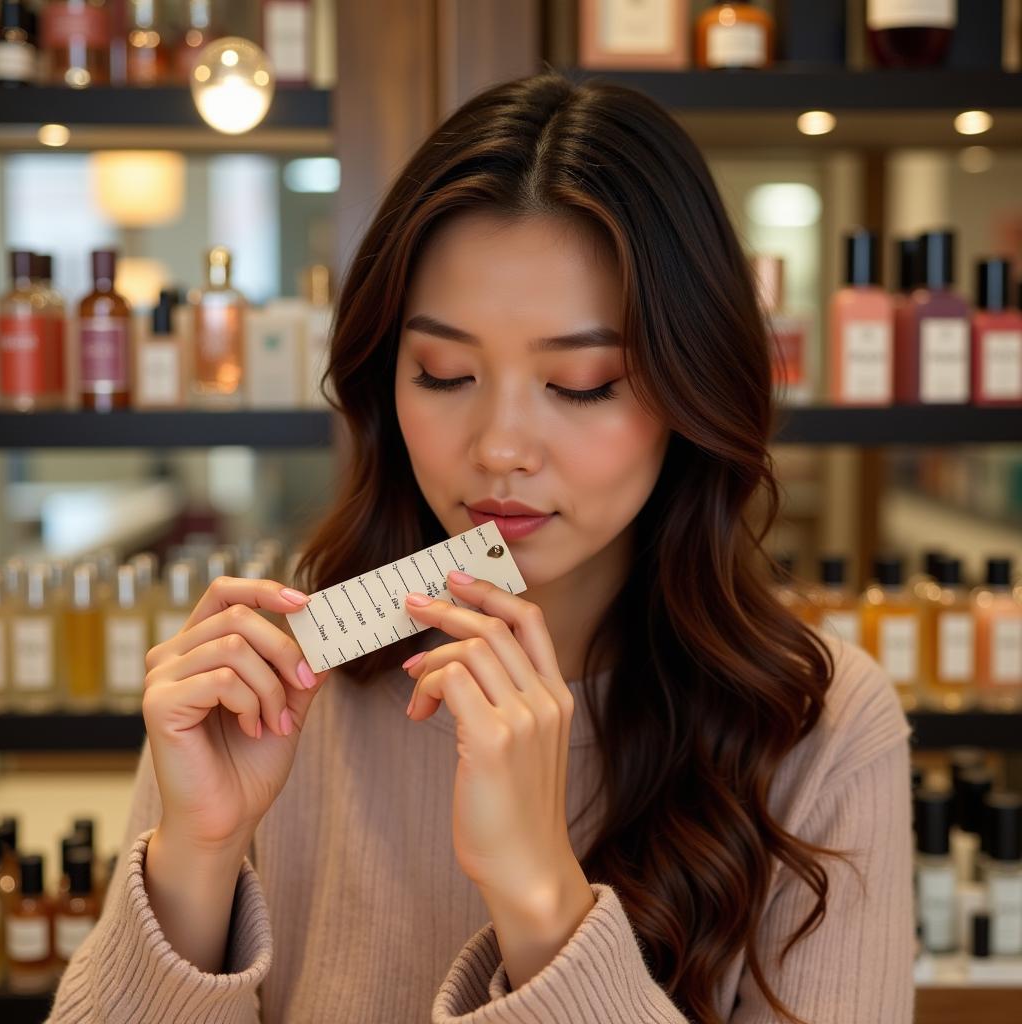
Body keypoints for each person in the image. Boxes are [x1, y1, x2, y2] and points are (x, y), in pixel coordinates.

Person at [47, 70, 914, 1023]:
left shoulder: (821, 727)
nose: (500, 447)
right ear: (388, 381)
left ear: (693, 390)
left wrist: (543, 900)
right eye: (444, 372)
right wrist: (196, 858)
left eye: (582, 383)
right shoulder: (281, 673)